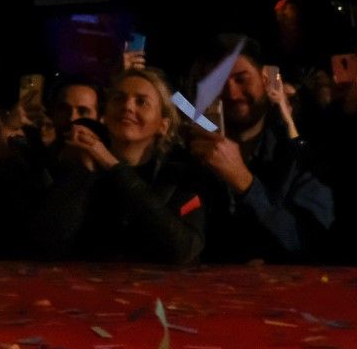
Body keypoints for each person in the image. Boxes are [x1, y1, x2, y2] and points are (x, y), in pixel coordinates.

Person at [29, 67, 206, 265]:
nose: (127, 107)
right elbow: (44, 245)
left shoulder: (179, 178)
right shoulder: (77, 162)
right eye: (119, 99)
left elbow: (183, 249)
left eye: (141, 102)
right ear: (105, 114)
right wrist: (84, 171)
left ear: (163, 125)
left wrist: (114, 165)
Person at [188, 37, 334, 262]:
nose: (232, 93)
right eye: (218, 84)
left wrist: (244, 182)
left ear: (265, 79)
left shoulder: (299, 156)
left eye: (241, 79)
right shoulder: (191, 156)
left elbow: (310, 240)